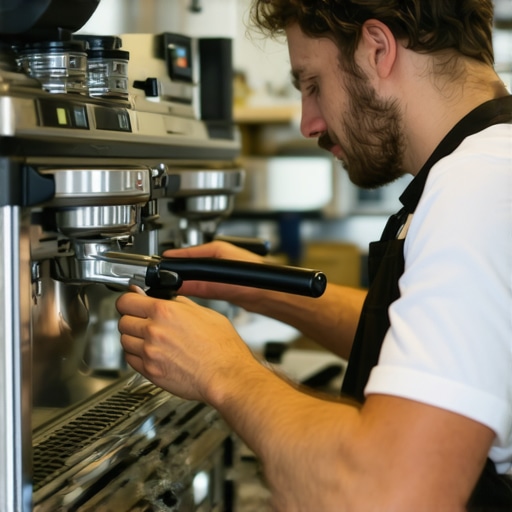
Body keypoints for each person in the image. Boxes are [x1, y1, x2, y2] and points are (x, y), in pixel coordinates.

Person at [116, 1, 512, 510]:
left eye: (312, 84)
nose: (308, 122)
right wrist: (258, 286)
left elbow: (383, 493)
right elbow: (440, 346)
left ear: (377, 49)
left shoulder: (477, 187)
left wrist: (224, 370)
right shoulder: (487, 166)